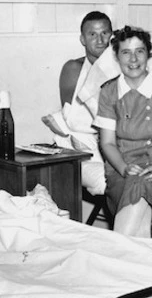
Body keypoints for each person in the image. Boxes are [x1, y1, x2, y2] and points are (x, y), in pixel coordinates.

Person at [93, 26, 152, 237]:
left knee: (143, 184)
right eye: (126, 52)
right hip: (122, 167)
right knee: (136, 187)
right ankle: (132, 258)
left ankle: (120, 255)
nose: (133, 59)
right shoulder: (109, 91)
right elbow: (107, 143)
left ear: (149, 54)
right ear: (117, 56)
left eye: (140, 51)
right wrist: (124, 167)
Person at [42, 11, 113, 196]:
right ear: (82, 39)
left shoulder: (123, 66)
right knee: (117, 182)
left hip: (116, 143)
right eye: (92, 34)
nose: (100, 40)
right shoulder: (73, 69)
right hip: (81, 148)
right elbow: (73, 120)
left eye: (105, 33)